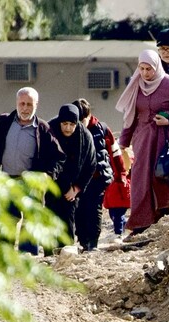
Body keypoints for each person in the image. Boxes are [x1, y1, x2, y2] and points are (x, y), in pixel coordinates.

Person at [0, 87, 66, 254]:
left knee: (31, 221)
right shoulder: (3, 122)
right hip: (6, 180)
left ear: (36, 105)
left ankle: (28, 257)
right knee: (6, 219)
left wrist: (48, 175)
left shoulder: (42, 128)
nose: (25, 108)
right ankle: (5, 255)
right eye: (22, 104)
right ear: (16, 103)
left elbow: (59, 157)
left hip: (31, 183)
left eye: (29, 104)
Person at [115, 50, 169, 237]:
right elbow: (131, 117)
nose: (145, 73)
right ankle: (142, 222)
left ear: (156, 67)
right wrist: (124, 142)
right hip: (142, 138)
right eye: (141, 68)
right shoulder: (137, 85)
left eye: (148, 69)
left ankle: (167, 212)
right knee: (140, 179)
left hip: (164, 138)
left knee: (162, 174)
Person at [47, 104, 96, 250]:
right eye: (64, 124)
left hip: (72, 188)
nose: (68, 128)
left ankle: (66, 252)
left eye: (71, 124)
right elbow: (44, 157)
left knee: (68, 221)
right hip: (51, 183)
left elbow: (90, 165)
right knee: (50, 220)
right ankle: (49, 254)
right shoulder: (50, 131)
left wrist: (76, 188)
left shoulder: (85, 136)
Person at [72, 98, 114, 251]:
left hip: (97, 178)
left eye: (83, 119)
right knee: (79, 211)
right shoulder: (70, 129)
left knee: (94, 210)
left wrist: (121, 173)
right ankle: (83, 241)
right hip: (78, 180)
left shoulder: (101, 128)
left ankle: (93, 242)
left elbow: (113, 152)